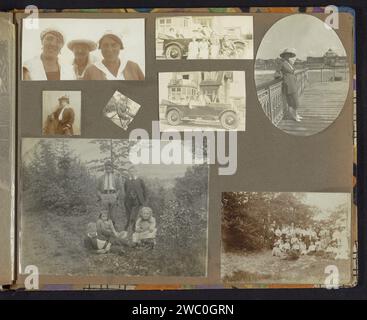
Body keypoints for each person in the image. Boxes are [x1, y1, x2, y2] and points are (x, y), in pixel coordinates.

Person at [277, 48, 302, 122]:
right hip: (288, 83)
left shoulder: (289, 63)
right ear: (284, 55)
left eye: (289, 55)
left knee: (296, 100)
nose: (288, 56)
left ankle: (296, 114)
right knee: (292, 100)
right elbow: (277, 72)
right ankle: (294, 116)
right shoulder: (281, 63)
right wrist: (281, 77)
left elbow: (293, 71)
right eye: (286, 55)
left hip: (293, 82)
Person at [124, 166, 147, 232]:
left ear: (136, 172)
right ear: (129, 172)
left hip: (137, 200)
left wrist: (144, 199)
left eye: (133, 171)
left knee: (135, 214)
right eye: (130, 171)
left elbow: (144, 190)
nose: (132, 173)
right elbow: (125, 189)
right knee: (128, 214)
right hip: (128, 200)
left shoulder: (139, 180)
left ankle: (134, 226)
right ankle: (128, 226)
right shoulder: (127, 180)